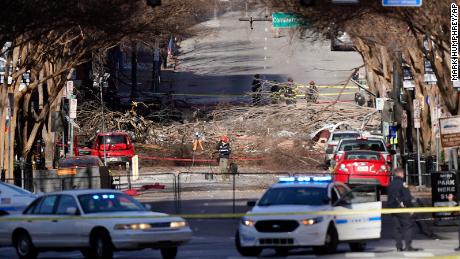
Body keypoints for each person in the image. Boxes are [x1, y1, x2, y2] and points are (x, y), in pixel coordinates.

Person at [387, 168, 422, 252]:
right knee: (408, 226)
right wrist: (410, 207)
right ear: (402, 174)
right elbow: (407, 198)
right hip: (401, 208)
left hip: (392, 208)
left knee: (396, 227)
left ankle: (399, 247)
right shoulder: (403, 183)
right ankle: (408, 246)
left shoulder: (391, 184)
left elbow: (389, 197)